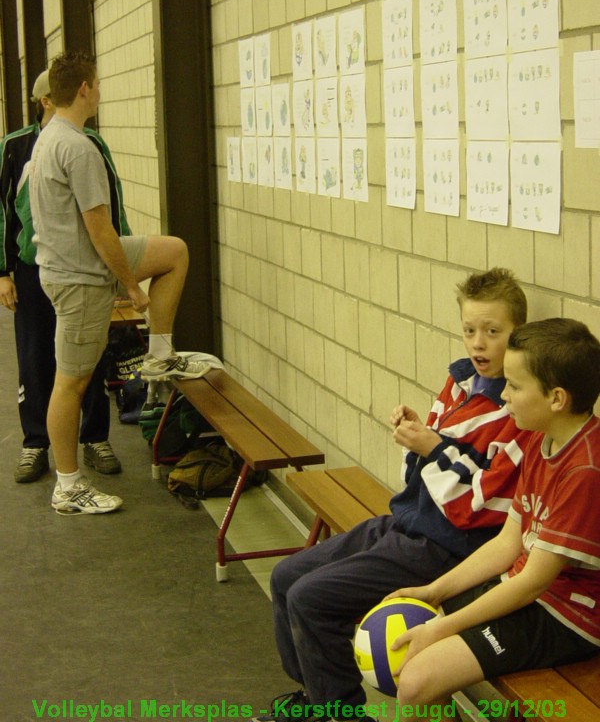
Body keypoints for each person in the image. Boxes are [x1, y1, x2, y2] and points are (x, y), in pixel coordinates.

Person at [258, 267, 533, 722]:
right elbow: (423, 473)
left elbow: (477, 507)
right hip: (406, 521)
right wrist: (417, 437)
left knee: (311, 598)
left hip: (446, 548)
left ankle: (340, 713)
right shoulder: (460, 381)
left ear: (518, 334)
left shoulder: (519, 408)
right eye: (469, 330)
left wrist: (432, 446)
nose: (478, 343)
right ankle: (314, 697)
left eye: (493, 331)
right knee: (287, 576)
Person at [390, 318, 600, 716]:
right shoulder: (541, 439)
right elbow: (507, 543)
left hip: (568, 616)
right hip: (528, 589)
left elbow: (532, 584)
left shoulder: (586, 470)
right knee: (408, 643)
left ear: (557, 398)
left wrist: (440, 626)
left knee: (416, 681)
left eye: (515, 386)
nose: (504, 395)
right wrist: (434, 592)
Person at [28, 51, 208, 515]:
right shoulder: (76, 147)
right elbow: (100, 229)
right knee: (71, 382)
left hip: (76, 263)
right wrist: (131, 287)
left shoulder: (51, 136)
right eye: (98, 84)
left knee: (174, 252)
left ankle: (160, 356)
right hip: (82, 277)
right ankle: (68, 486)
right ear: (85, 89)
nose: (100, 91)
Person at [0, 69, 131, 483]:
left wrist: (121, 271)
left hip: (83, 269)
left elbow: (112, 207)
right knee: (36, 356)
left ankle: (94, 437)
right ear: (47, 101)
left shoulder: (89, 144)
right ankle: (36, 443)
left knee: (86, 357)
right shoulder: (16, 146)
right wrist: (2, 271)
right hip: (32, 266)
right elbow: (3, 212)